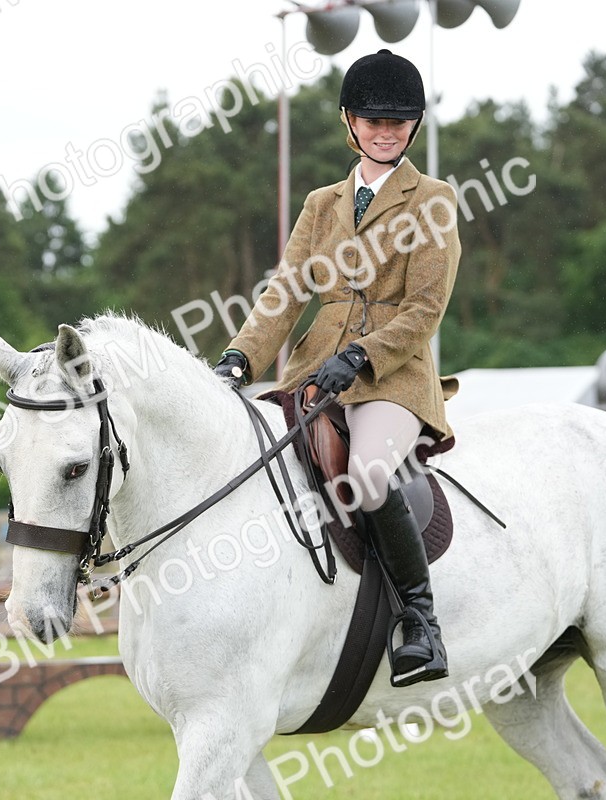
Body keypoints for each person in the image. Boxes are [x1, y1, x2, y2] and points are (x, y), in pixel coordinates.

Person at [213, 49, 460, 687]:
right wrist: (240, 357)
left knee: (371, 473)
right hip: (315, 372)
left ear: (414, 125)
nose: (386, 132)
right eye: (374, 121)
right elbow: (286, 292)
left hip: (392, 378)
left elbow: (425, 309)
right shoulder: (322, 204)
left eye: (398, 122)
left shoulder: (433, 200)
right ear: (350, 122)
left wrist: (362, 354)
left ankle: (421, 621)